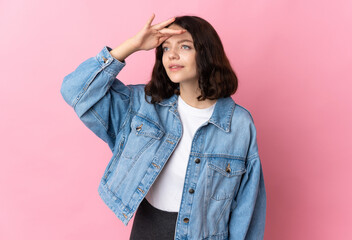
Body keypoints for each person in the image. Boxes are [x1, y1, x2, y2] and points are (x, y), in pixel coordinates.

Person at [61, 13, 266, 240]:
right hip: (147, 231)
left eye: (185, 46)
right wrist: (133, 45)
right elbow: (75, 91)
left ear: (207, 54)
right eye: (166, 48)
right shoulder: (144, 106)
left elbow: (248, 208)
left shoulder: (238, 124)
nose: (172, 55)